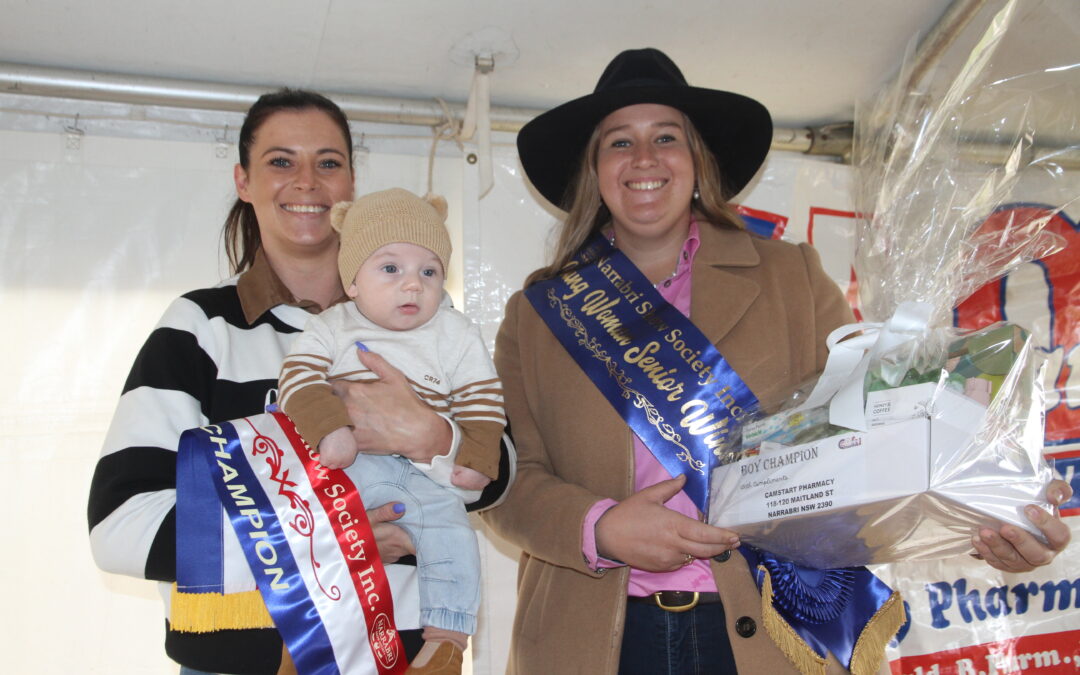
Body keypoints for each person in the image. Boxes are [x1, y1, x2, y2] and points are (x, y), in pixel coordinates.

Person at [480, 48, 1073, 675]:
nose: (645, 159)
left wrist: (981, 517)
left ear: (698, 160)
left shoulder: (793, 276)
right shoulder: (538, 313)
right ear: (594, 170)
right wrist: (598, 529)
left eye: (667, 137)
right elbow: (507, 483)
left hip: (769, 634)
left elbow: (870, 441)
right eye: (619, 142)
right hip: (586, 638)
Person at [87, 89, 512, 675]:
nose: (307, 181)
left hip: (405, 657)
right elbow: (121, 526)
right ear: (243, 181)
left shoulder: (433, 324)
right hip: (235, 661)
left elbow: (498, 478)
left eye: (328, 163)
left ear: (351, 187)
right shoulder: (200, 328)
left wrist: (431, 436)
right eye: (281, 161)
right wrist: (330, 538)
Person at [279, 187, 505, 674]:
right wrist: (330, 429)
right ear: (353, 281)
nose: (412, 286)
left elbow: (483, 398)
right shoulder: (332, 327)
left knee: (454, 537)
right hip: (350, 471)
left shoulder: (455, 332)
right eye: (390, 269)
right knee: (319, 539)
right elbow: (296, 381)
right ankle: (300, 646)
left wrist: (478, 457)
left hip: (426, 477)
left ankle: (446, 641)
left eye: (429, 272)